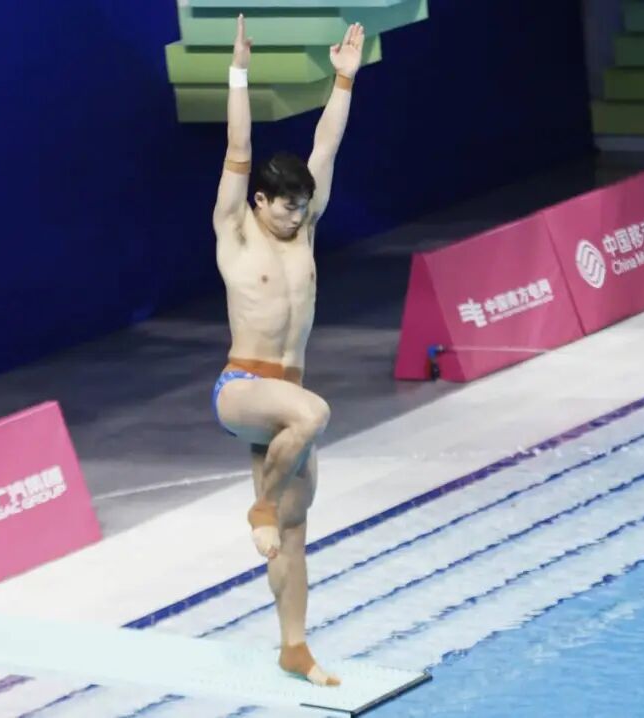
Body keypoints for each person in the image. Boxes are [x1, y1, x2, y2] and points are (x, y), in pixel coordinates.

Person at [210, 14, 364, 687]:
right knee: (314, 415)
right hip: (242, 390)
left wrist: (343, 79)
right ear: (259, 200)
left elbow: (326, 143)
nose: (297, 217)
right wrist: (238, 72)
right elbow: (238, 145)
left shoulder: (303, 231)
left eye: (304, 207)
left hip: (284, 397)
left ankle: (293, 647)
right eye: (286, 207)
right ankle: (261, 508)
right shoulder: (235, 230)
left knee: (296, 532)